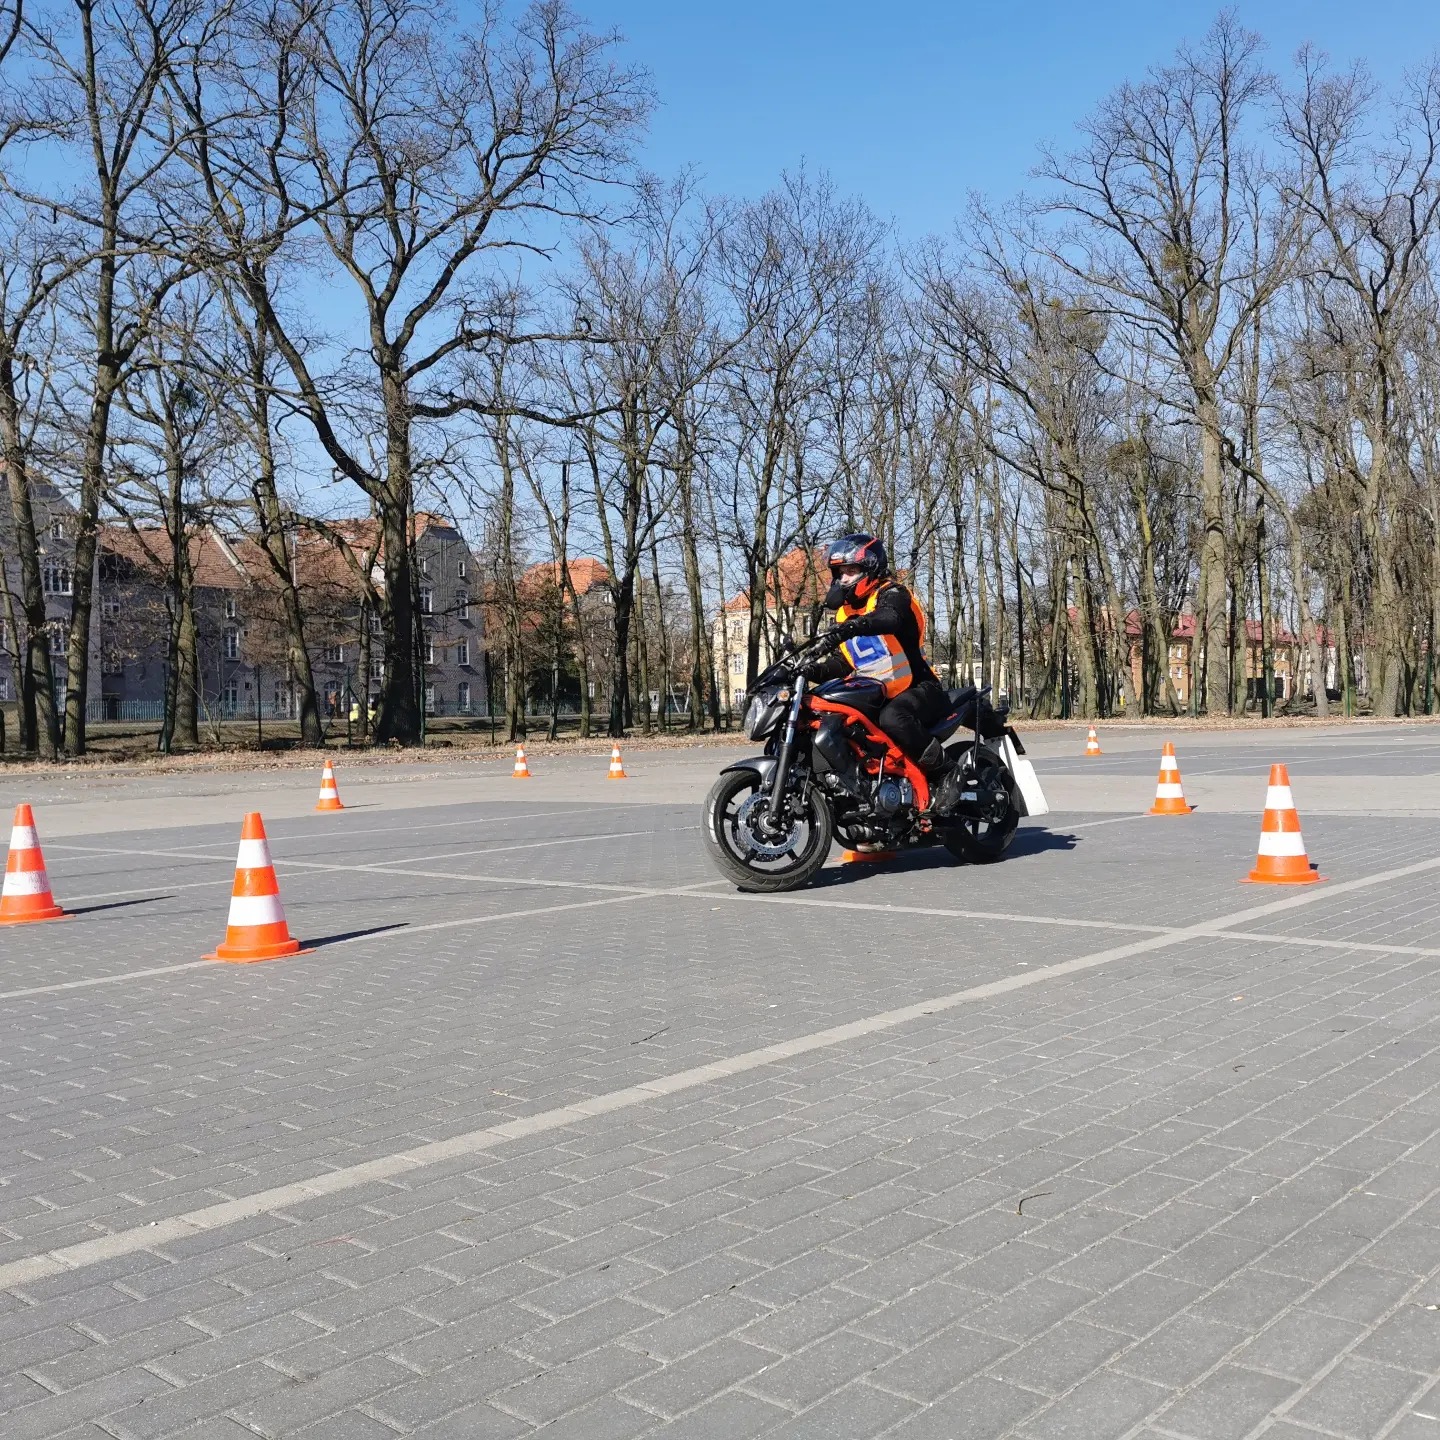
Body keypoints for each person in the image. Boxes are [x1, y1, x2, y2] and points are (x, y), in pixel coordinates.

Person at [804, 533, 951, 776]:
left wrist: (849, 628)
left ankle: (947, 772)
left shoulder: (893, 594)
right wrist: (808, 670)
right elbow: (844, 664)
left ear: (869, 567)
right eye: (839, 573)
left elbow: (889, 618)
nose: (843, 579)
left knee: (893, 718)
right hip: (879, 694)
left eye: (850, 571)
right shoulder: (844, 613)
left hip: (919, 687)